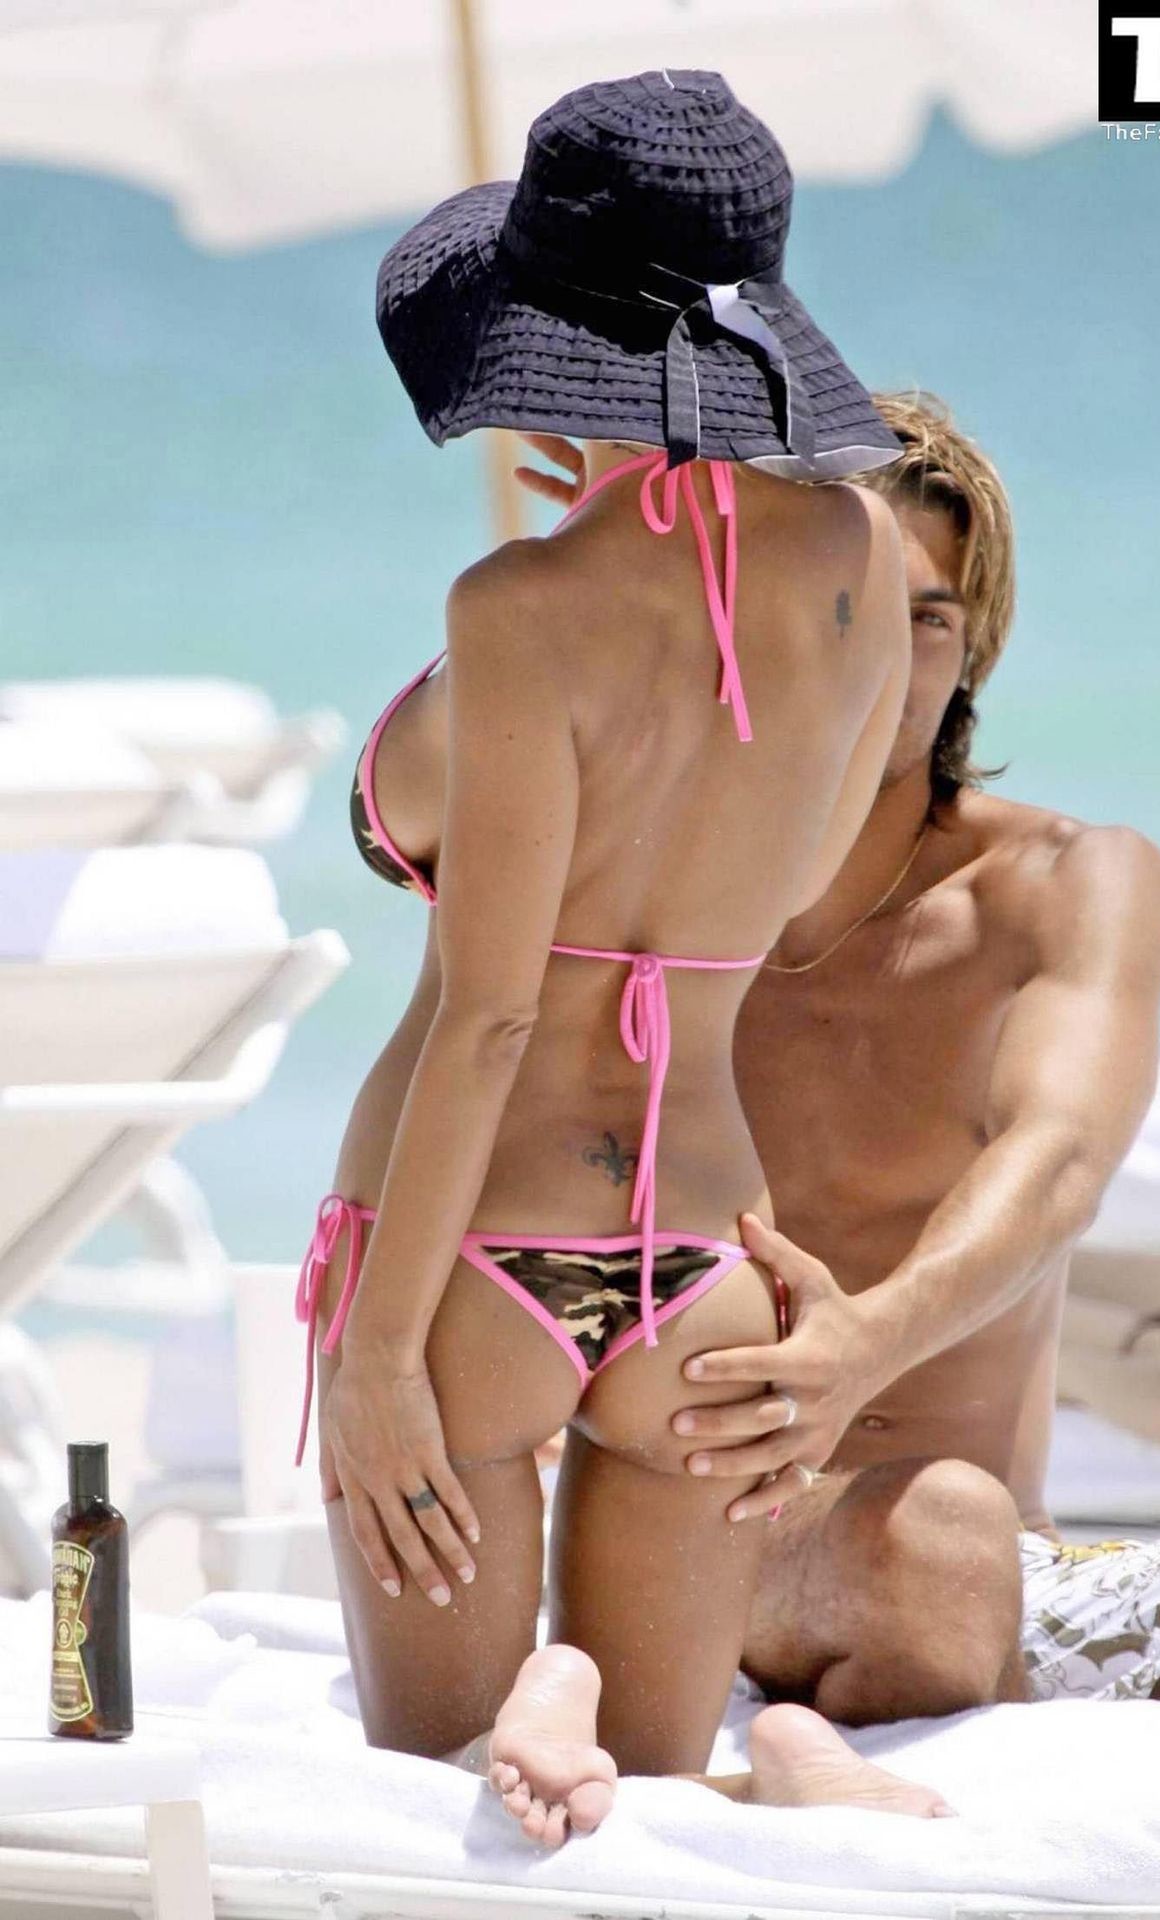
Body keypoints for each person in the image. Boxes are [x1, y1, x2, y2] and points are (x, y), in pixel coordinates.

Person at [530, 390, 1160, 1721]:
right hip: (703, 1542)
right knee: (939, 1541)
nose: (890, 660)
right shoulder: (627, 895)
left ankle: (1058, 1791)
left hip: (1002, 1571)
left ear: (974, 647)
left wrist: (869, 1341)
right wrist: (607, 563)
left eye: (929, 620)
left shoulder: (1064, 885)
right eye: (849, 608)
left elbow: (1063, 1154)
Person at [294, 67, 917, 1810]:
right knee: (643, 1839)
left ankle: (539, 1700)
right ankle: (749, 1769)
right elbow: (791, 891)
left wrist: (378, 1359)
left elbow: (493, 1019)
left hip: (468, 1251)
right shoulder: (866, 559)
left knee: (445, 1809)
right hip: (709, 1256)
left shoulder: (521, 606)